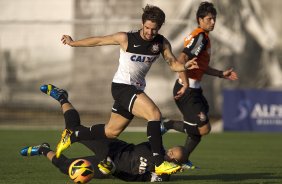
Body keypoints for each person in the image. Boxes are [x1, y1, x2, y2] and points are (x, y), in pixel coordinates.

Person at [58, 4, 198, 175]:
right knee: (154, 114)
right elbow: (99, 40)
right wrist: (73, 43)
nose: (149, 32)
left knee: (111, 131)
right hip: (122, 87)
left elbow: (173, 64)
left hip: (134, 90)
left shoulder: (161, 43)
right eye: (147, 27)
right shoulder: (126, 38)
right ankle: (159, 162)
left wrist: (184, 66)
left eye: (154, 29)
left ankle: (73, 135)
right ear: (142, 23)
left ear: (159, 28)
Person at [19, 84, 188, 182]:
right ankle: (62, 97)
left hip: (109, 168)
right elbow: (153, 140)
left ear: (176, 164)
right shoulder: (155, 149)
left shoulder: (161, 177)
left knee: (66, 168)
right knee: (74, 130)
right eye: (172, 150)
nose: (169, 154)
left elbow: (132, 178)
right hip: (111, 147)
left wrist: (112, 169)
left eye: (174, 157)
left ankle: (42, 149)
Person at [161, 1, 238, 168]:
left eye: (214, 19)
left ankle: (182, 159)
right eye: (209, 19)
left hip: (194, 90)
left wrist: (220, 74)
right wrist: (186, 84)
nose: (213, 22)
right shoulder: (200, 37)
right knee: (203, 129)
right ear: (200, 19)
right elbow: (181, 60)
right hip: (186, 90)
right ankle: (167, 124)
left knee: (201, 129)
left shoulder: (203, 37)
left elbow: (201, 66)